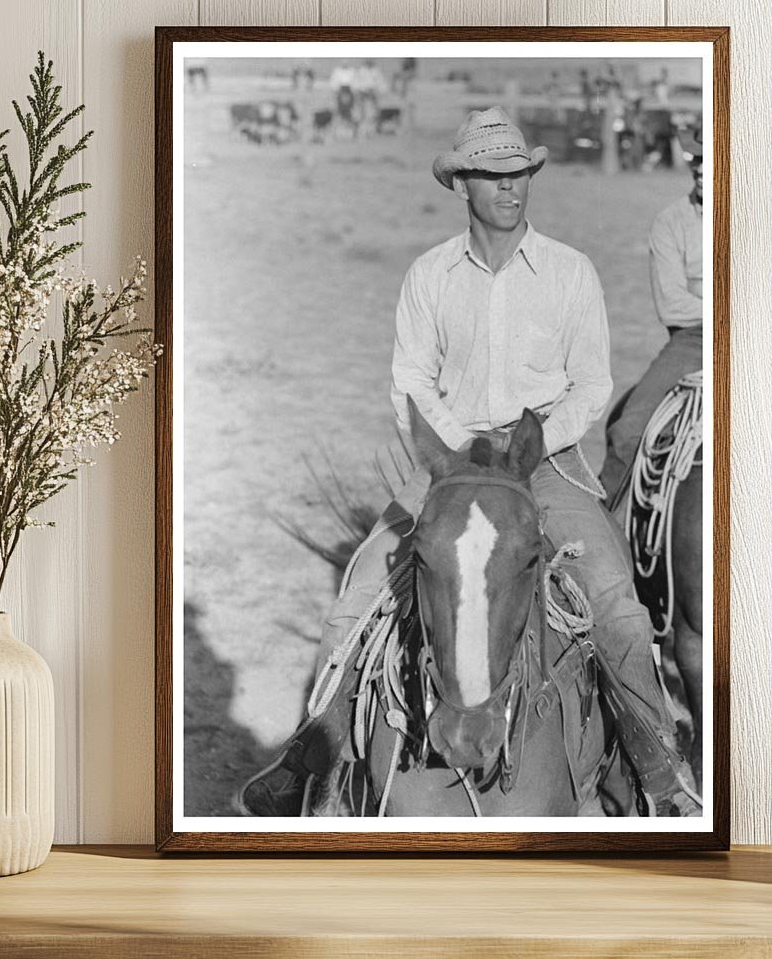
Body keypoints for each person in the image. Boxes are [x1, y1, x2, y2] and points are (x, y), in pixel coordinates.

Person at [247, 108, 698, 817]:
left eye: (519, 173)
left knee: (618, 607)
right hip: (449, 464)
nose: (509, 187)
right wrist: (459, 452)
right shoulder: (430, 275)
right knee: (356, 599)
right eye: (492, 175)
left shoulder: (570, 272)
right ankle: (315, 765)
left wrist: (528, 449)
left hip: (544, 462)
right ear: (462, 185)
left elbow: (592, 384)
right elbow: (411, 382)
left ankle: (658, 776)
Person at [601, 127, 704, 499]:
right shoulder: (671, 222)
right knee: (629, 432)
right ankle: (603, 524)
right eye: (696, 159)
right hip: (695, 341)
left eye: (712, 160)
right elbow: (672, 305)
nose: (701, 169)